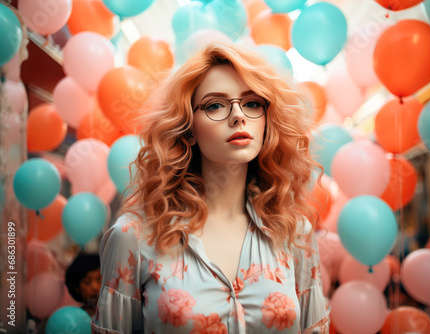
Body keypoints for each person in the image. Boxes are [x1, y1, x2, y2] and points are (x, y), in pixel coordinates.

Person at [91, 42, 330, 334]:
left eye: (252, 103)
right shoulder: (133, 238)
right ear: (188, 129)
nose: (239, 116)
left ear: (267, 120)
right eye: (215, 105)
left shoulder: (294, 234)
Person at [65, 252, 101, 318]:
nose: (94, 287)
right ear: (76, 287)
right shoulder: (74, 319)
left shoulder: (118, 312)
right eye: (87, 282)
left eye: (99, 280)